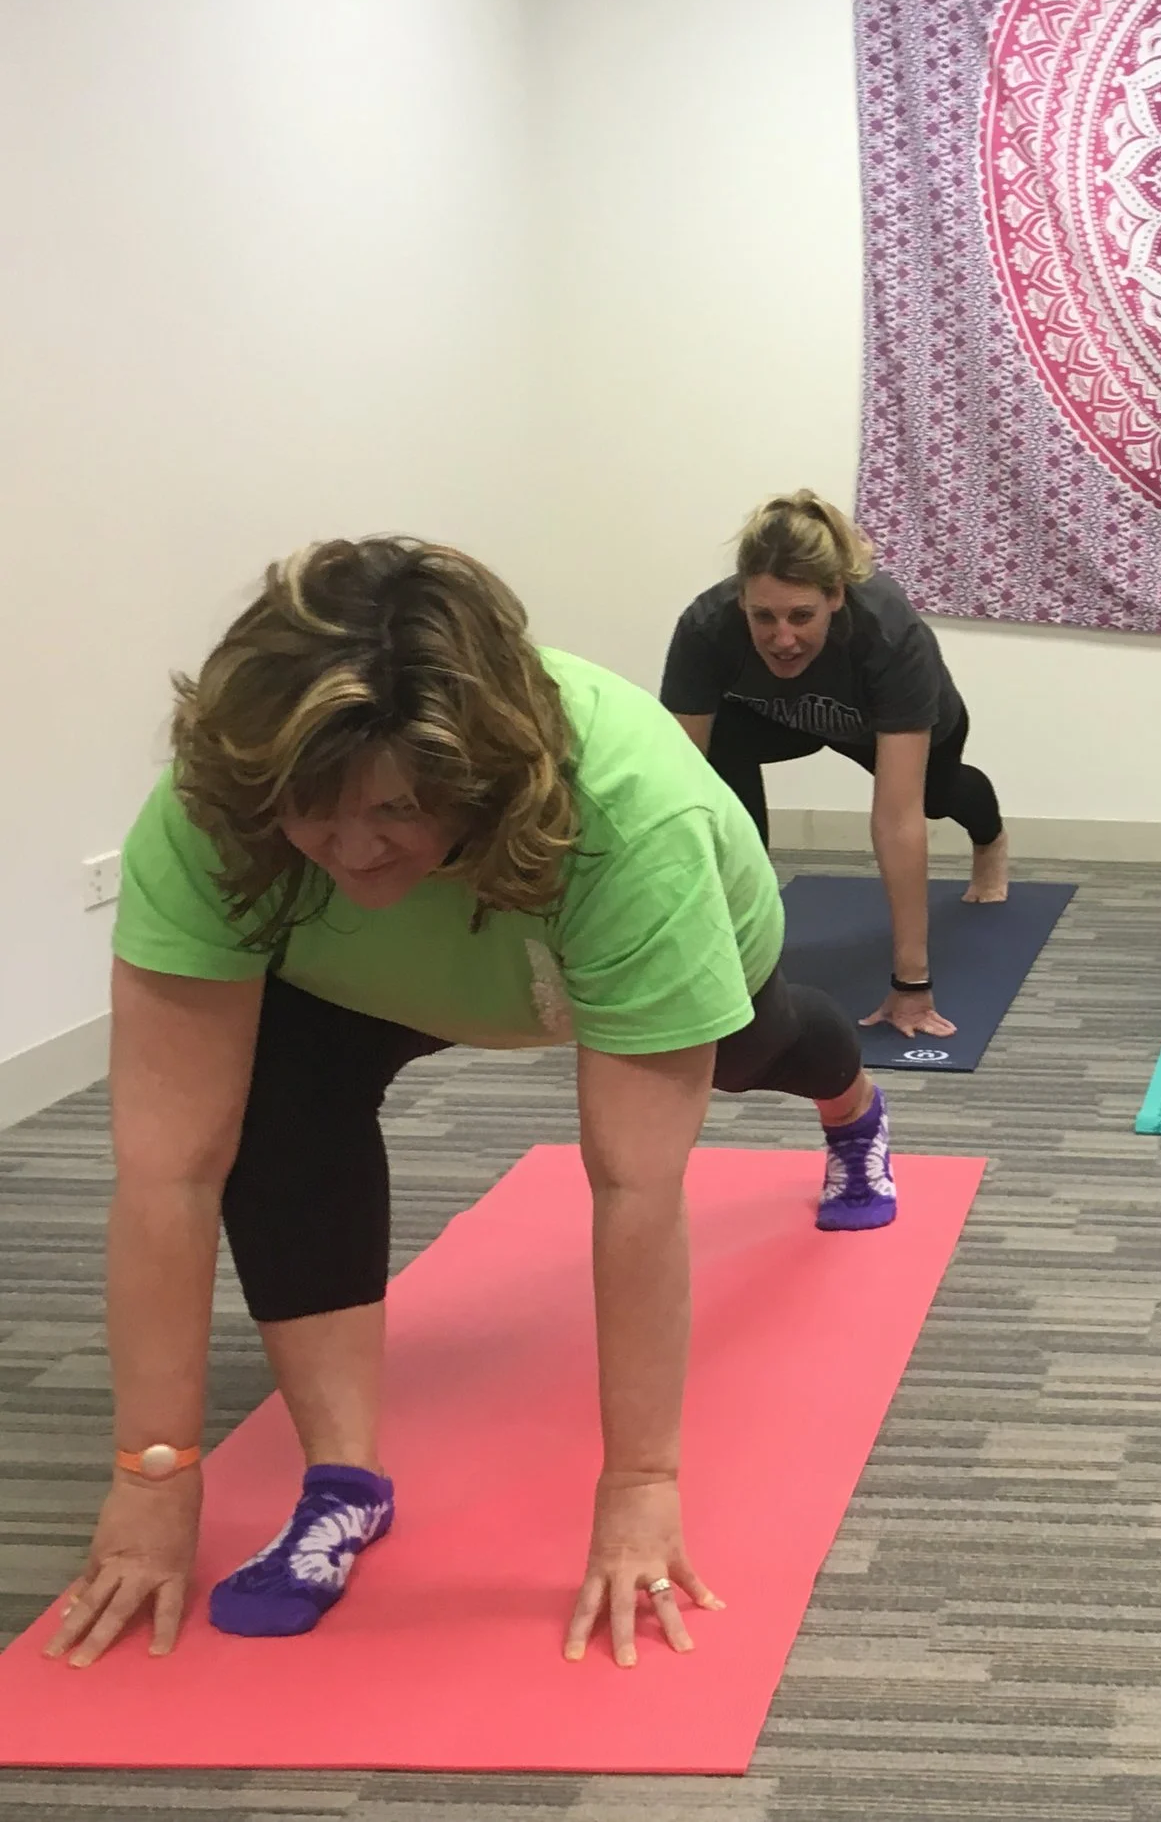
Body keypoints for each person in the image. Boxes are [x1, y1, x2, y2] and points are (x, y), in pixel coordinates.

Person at [46, 538, 900, 1672]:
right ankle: (343, 1479)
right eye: (313, 811)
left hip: (615, 931)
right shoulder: (220, 805)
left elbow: (633, 1184)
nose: (350, 846)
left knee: (767, 1048)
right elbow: (168, 1169)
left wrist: (640, 1484)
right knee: (275, 1114)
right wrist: (152, 1467)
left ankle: (854, 1110)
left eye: (396, 807)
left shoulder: (631, 819)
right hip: (359, 973)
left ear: (478, 771)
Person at [663, 491, 1007, 1045]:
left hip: (887, 724)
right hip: (779, 718)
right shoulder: (706, 628)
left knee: (941, 796)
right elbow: (675, 790)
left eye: (802, 616)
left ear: (836, 596)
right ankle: (744, 923)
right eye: (763, 617)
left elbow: (897, 820)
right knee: (715, 767)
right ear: (742, 602)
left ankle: (991, 839)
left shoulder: (888, 633)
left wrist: (911, 982)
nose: (782, 637)